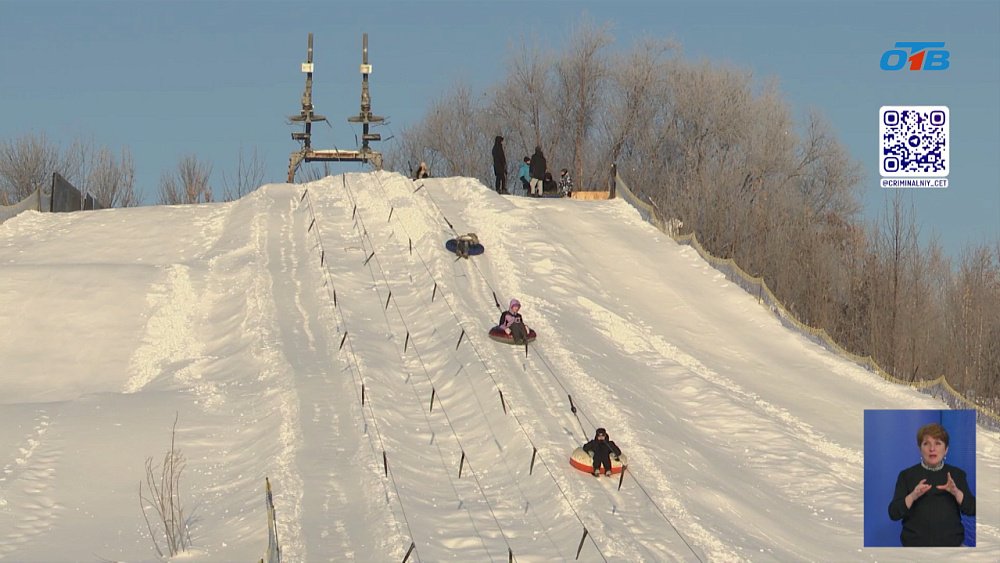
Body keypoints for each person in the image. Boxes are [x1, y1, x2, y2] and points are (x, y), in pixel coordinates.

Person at [887, 422, 976, 547]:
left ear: (946, 450)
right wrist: (912, 496)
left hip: (953, 549)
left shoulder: (957, 475)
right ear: (920, 449)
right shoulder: (906, 475)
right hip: (915, 550)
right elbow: (893, 513)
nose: (932, 449)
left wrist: (956, 492)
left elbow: (973, 509)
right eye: (926, 443)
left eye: (938, 443)